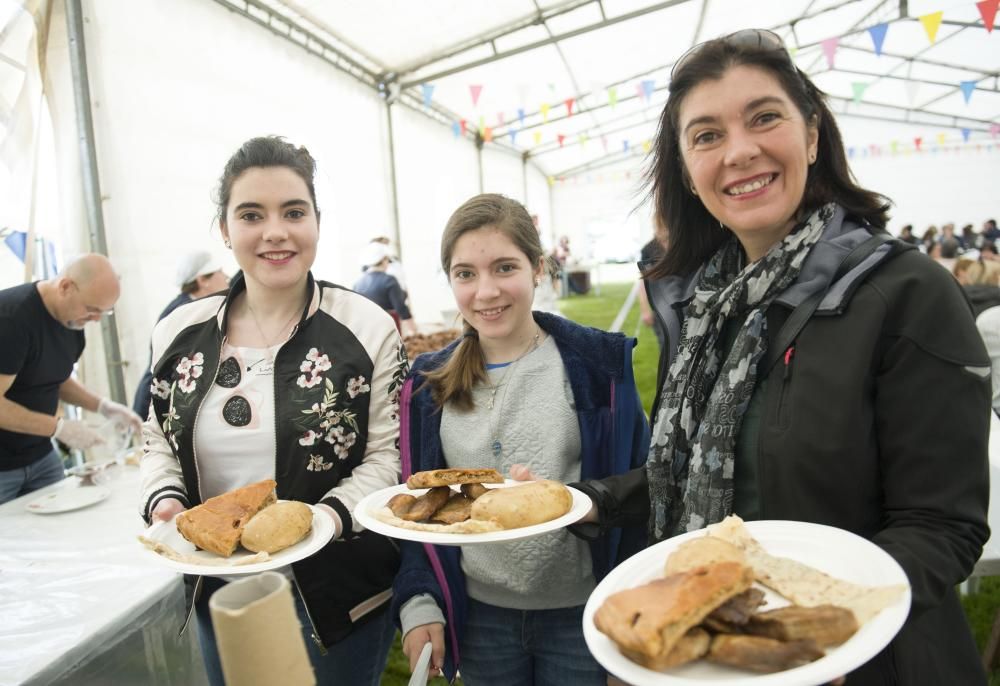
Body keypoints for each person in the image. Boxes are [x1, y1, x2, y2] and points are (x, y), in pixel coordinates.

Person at [574, 30, 989, 684]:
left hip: (869, 661)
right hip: (714, 651)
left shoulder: (906, 293)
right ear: (687, 167)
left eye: (765, 117)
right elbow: (714, 471)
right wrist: (587, 499)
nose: (740, 150)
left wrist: (831, 634)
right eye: (707, 135)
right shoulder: (700, 306)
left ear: (813, 135)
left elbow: (941, 525)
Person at [138, 136, 407, 686]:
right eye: (251, 215)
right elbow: (156, 440)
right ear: (225, 230)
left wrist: (319, 523)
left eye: (293, 212)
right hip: (222, 587)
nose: (275, 232)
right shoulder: (178, 332)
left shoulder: (366, 326)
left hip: (340, 595)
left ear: (316, 222)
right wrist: (166, 502)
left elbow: (388, 458)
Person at [391, 193, 650, 685]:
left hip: (585, 611)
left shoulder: (598, 368)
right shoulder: (427, 383)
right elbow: (415, 509)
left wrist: (631, 620)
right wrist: (420, 601)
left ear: (537, 268)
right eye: (465, 273)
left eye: (504, 268)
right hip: (481, 616)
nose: (485, 292)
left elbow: (644, 485)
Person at [0, 254, 142, 504]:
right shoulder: (11, 319)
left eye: (104, 312)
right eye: (91, 309)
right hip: (3, 467)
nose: (96, 320)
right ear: (65, 286)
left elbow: (55, 377)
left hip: (40, 457)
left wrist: (103, 406)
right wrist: (58, 428)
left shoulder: (73, 324)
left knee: (57, 532)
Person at [131, 250, 229, 419]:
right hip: (156, 404)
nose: (226, 276)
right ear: (202, 280)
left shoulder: (193, 306)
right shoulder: (184, 313)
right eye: (220, 272)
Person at [353, 241, 417, 337]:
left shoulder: (358, 283)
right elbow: (400, 307)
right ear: (383, 260)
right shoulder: (389, 280)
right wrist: (413, 330)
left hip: (366, 332)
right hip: (388, 329)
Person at [637, 215, 669, 352]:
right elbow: (644, 282)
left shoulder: (685, 245)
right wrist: (645, 309)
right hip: (661, 308)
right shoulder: (649, 250)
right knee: (666, 347)